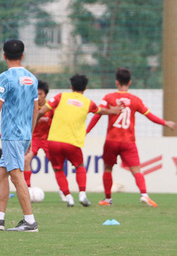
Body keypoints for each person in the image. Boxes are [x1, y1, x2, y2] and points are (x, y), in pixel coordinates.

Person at [0, 39, 39, 232]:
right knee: (1, 173)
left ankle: (29, 221)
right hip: (24, 134)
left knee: (16, 176)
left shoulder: (5, 77)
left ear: (4, 56)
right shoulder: (32, 78)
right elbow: (35, 109)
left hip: (11, 135)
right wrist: (30, 135)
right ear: (23, 55)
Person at [87, 68, 175, 207]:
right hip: (128, 142)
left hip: (111, 140)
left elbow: (97, 115)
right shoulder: (135, 100)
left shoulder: (109, 97)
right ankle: (144, 195)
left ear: (117, 82)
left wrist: (86, 131)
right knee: (136, 170)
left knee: (108, 168)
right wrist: (166, 123)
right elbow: (150, 116)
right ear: (130, 82)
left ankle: (108, 199)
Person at [39, 74, 121, 207]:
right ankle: (82, 194)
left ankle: (68, 197)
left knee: (58, 169)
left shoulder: (60, 97)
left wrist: (35, 120)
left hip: (53, 141)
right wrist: (113, 110)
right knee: (80, 166)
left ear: (71, 86)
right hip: (72, 143)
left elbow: (42, 111)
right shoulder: (88, 103)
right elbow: (101, 111)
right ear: (86, 88)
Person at [23, 81, 54, 189]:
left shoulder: (51, 106)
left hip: (48, 139)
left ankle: (63, 191)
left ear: (45, 94)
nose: (38, 96)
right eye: (36, 94)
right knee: (26, 160)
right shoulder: (30, 106)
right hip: (34, 138)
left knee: (56, 163)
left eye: (40, 94)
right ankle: (28, 189)